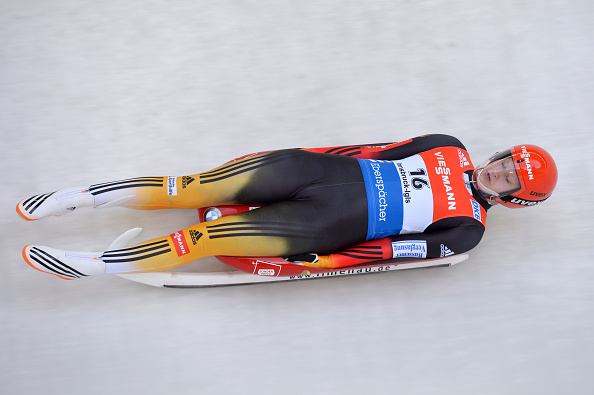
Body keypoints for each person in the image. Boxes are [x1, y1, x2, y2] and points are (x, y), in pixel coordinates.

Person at [17, 134, 557, 280]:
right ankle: (78, 198)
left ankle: (90, 266)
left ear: (515, 197)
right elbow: (367, 151)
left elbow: (391, 252)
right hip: (316, 171)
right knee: (191, 187)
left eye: (511, 177)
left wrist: (317, 261)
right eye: (507, 160)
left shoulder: (467, 230)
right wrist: (298, 155)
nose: (500, 171)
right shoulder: (447, 143)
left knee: (202, 240)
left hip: (320, 224)